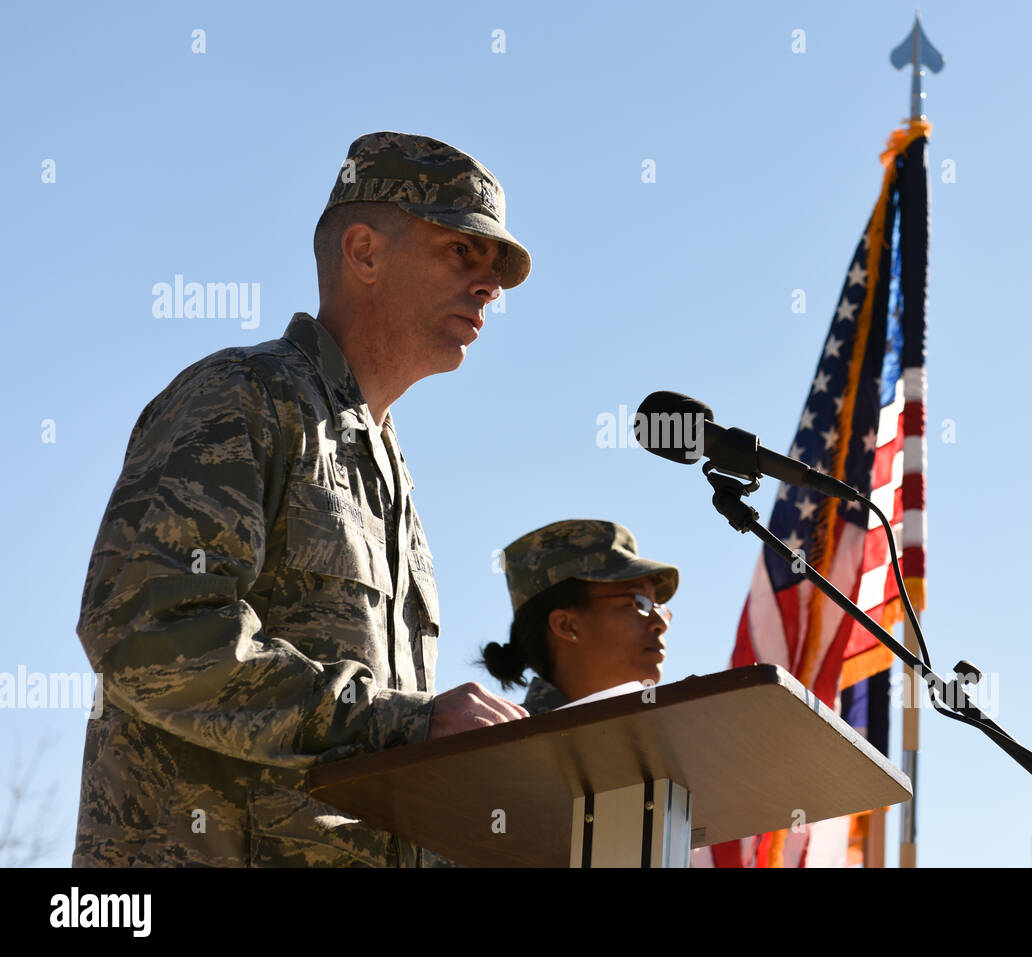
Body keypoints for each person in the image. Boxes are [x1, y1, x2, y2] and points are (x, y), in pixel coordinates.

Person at [73, 132, 533, 867]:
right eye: (461, 253)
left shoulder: (389, 469)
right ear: (364, 252)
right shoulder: (246, 397)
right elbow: (147, 633)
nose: (490, 287)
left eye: (495, 273)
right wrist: (404, 724)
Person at [480, 519, 679, 716]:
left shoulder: (670, 735)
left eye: (658, 607)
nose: (660, 624)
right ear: (567, 625)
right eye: (639, 602)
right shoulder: (500, 741)